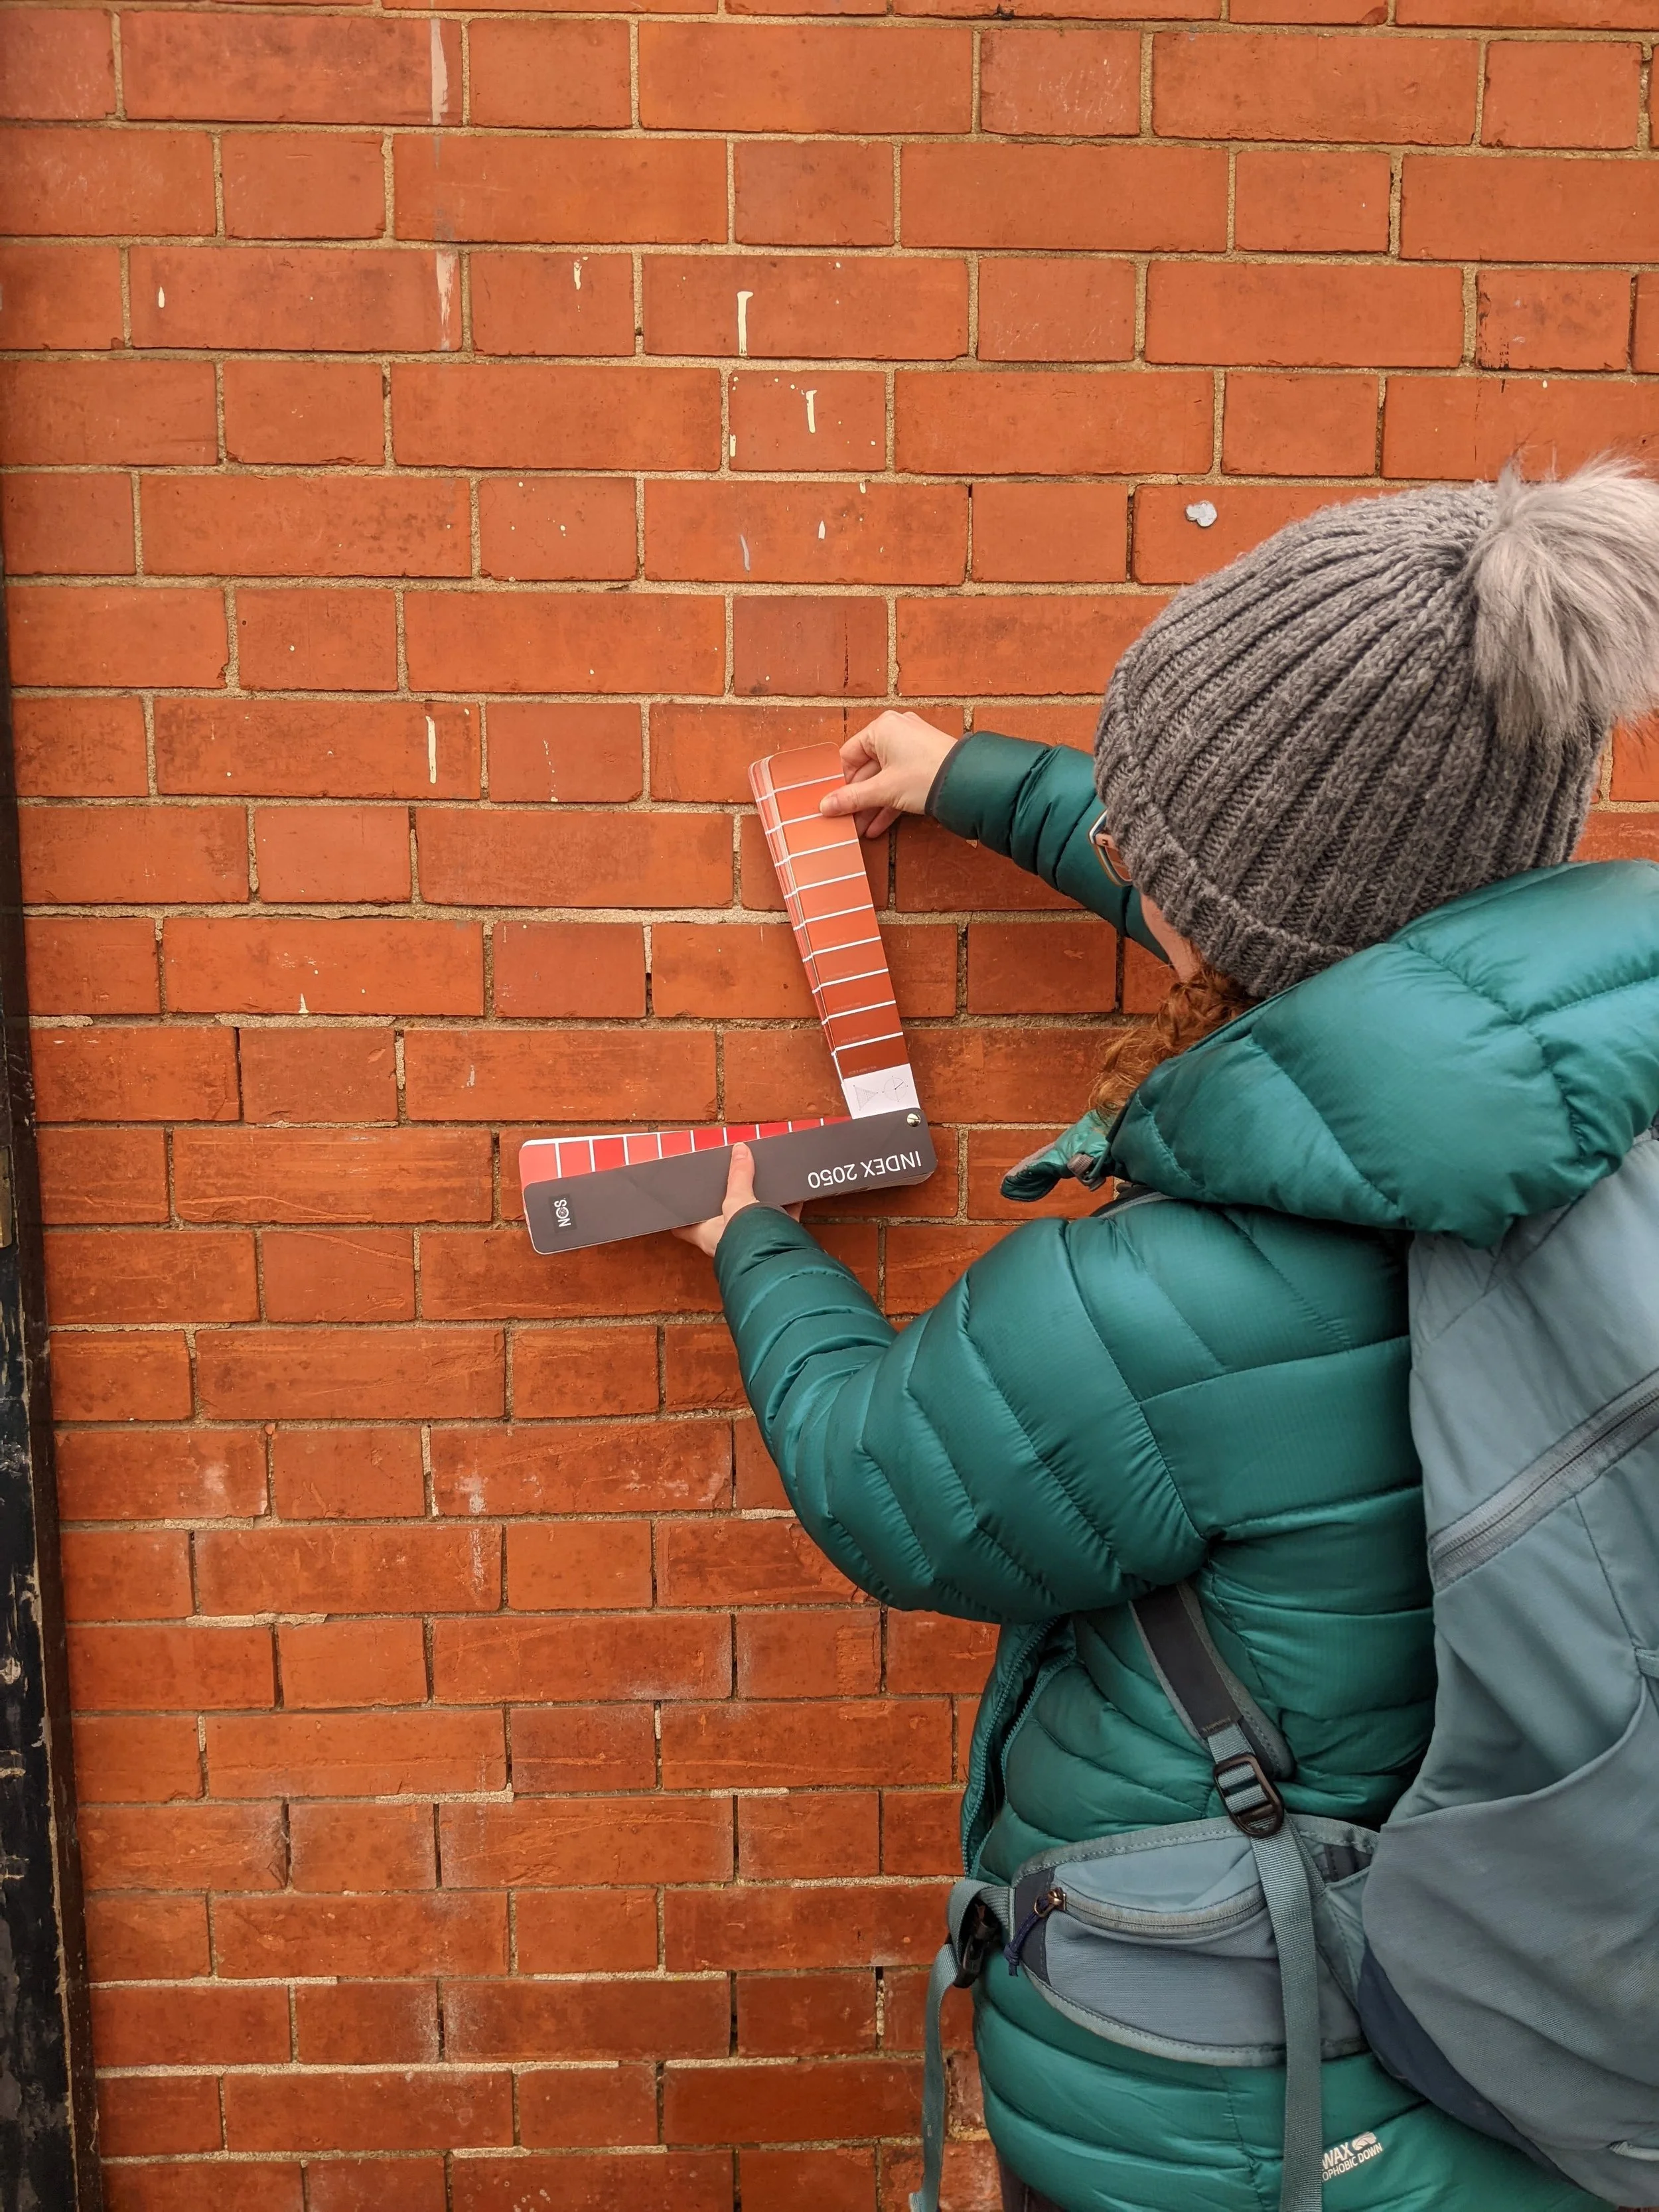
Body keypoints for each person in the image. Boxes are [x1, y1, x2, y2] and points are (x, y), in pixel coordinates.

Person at [676, 461, 1659, 2212]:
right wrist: (966, 777)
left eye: (1149, 842)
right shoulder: (1583, 1071)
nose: (1124, 856)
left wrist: (755, 1240)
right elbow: (1301, 919)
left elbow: (878, 1476)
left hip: (1239, 2079)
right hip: (1526, 2044)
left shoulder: (1171, 1299)